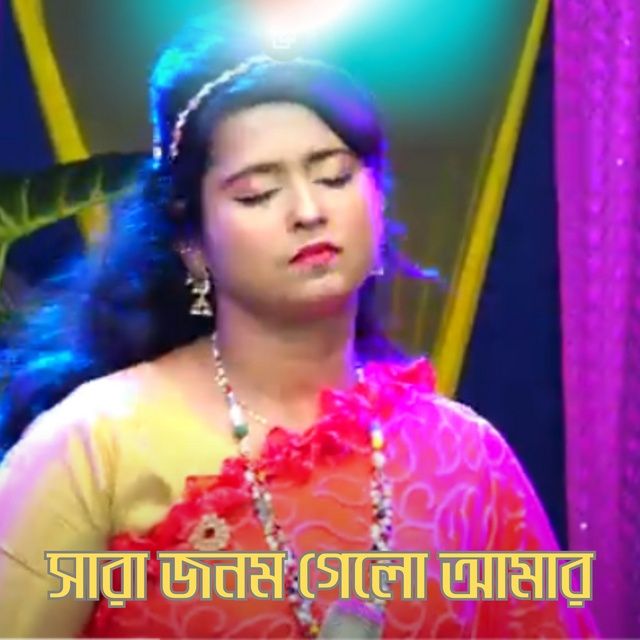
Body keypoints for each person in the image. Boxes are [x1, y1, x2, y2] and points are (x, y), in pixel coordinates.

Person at [0, 16, 597, 640]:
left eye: (334, 177)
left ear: (379, 200)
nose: (309, 211)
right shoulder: (96, 445)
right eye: (257, 193)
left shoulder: (463, 454)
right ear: (192, 243)